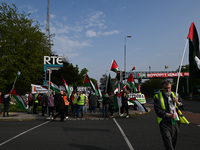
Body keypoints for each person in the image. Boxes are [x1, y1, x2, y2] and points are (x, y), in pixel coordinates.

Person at [154, 79, 188, 150]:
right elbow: (157, 110)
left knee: (173, 141)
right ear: (162, 88)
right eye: (165, 88)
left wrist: (178, 102)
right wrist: (168, 115)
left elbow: (183, 107)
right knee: (168, 141)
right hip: (164, 122)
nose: (167, 90)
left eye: (169, 88)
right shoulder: (158, 96)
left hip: (175, 122)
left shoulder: (176, 95)